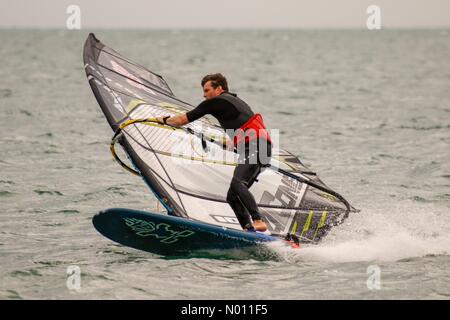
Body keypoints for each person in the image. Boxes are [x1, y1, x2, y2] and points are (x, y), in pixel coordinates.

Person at [156, 73, 271, 232]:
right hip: (260, 147)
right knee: (232, 196)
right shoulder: (236, 101)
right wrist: (231, 143)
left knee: (239, 183)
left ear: (219, 89)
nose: (204, 95)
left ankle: (258, 220)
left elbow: (181, 120)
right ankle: (249, 230)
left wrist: (162, 120)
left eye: (207, 90)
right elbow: (245, 127)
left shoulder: (215, 102)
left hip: (255, 147)